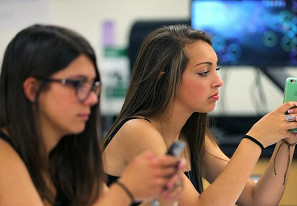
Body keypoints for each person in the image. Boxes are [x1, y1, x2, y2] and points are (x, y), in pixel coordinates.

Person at [102, 24, 297, 205]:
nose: (218, 81)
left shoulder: (191, 136)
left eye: (217, 69)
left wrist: (288, 141)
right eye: (204, 72)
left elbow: (258, 200)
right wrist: (255, 139)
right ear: (164, 80)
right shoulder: (138, 130)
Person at [0, 24, 185, 206]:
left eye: (93, 86)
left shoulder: (68, 152)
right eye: (77, 84)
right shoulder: (4, 153)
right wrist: (126, 189)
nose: (91, 99)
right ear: (32, 90)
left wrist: (159, 199)